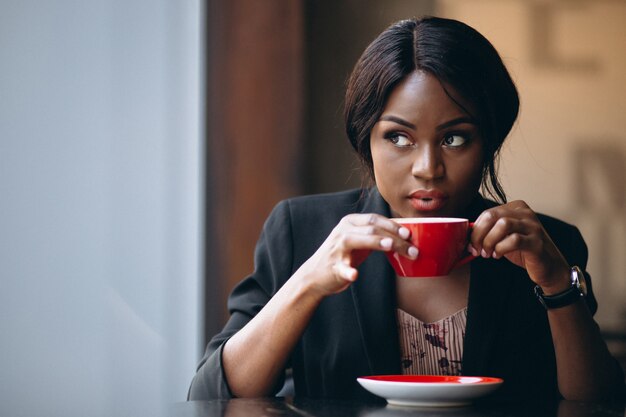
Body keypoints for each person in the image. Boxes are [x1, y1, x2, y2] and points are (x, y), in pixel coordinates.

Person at [189, 16, 625, 402]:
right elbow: (214, 392)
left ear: (487, 143)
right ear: (366, 140)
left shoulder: (547, 245)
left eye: (455, 138)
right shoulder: (301, 230)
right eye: (398, 137)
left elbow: (600, 401)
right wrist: (310, 280)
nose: (428, 169)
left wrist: (556, 282)